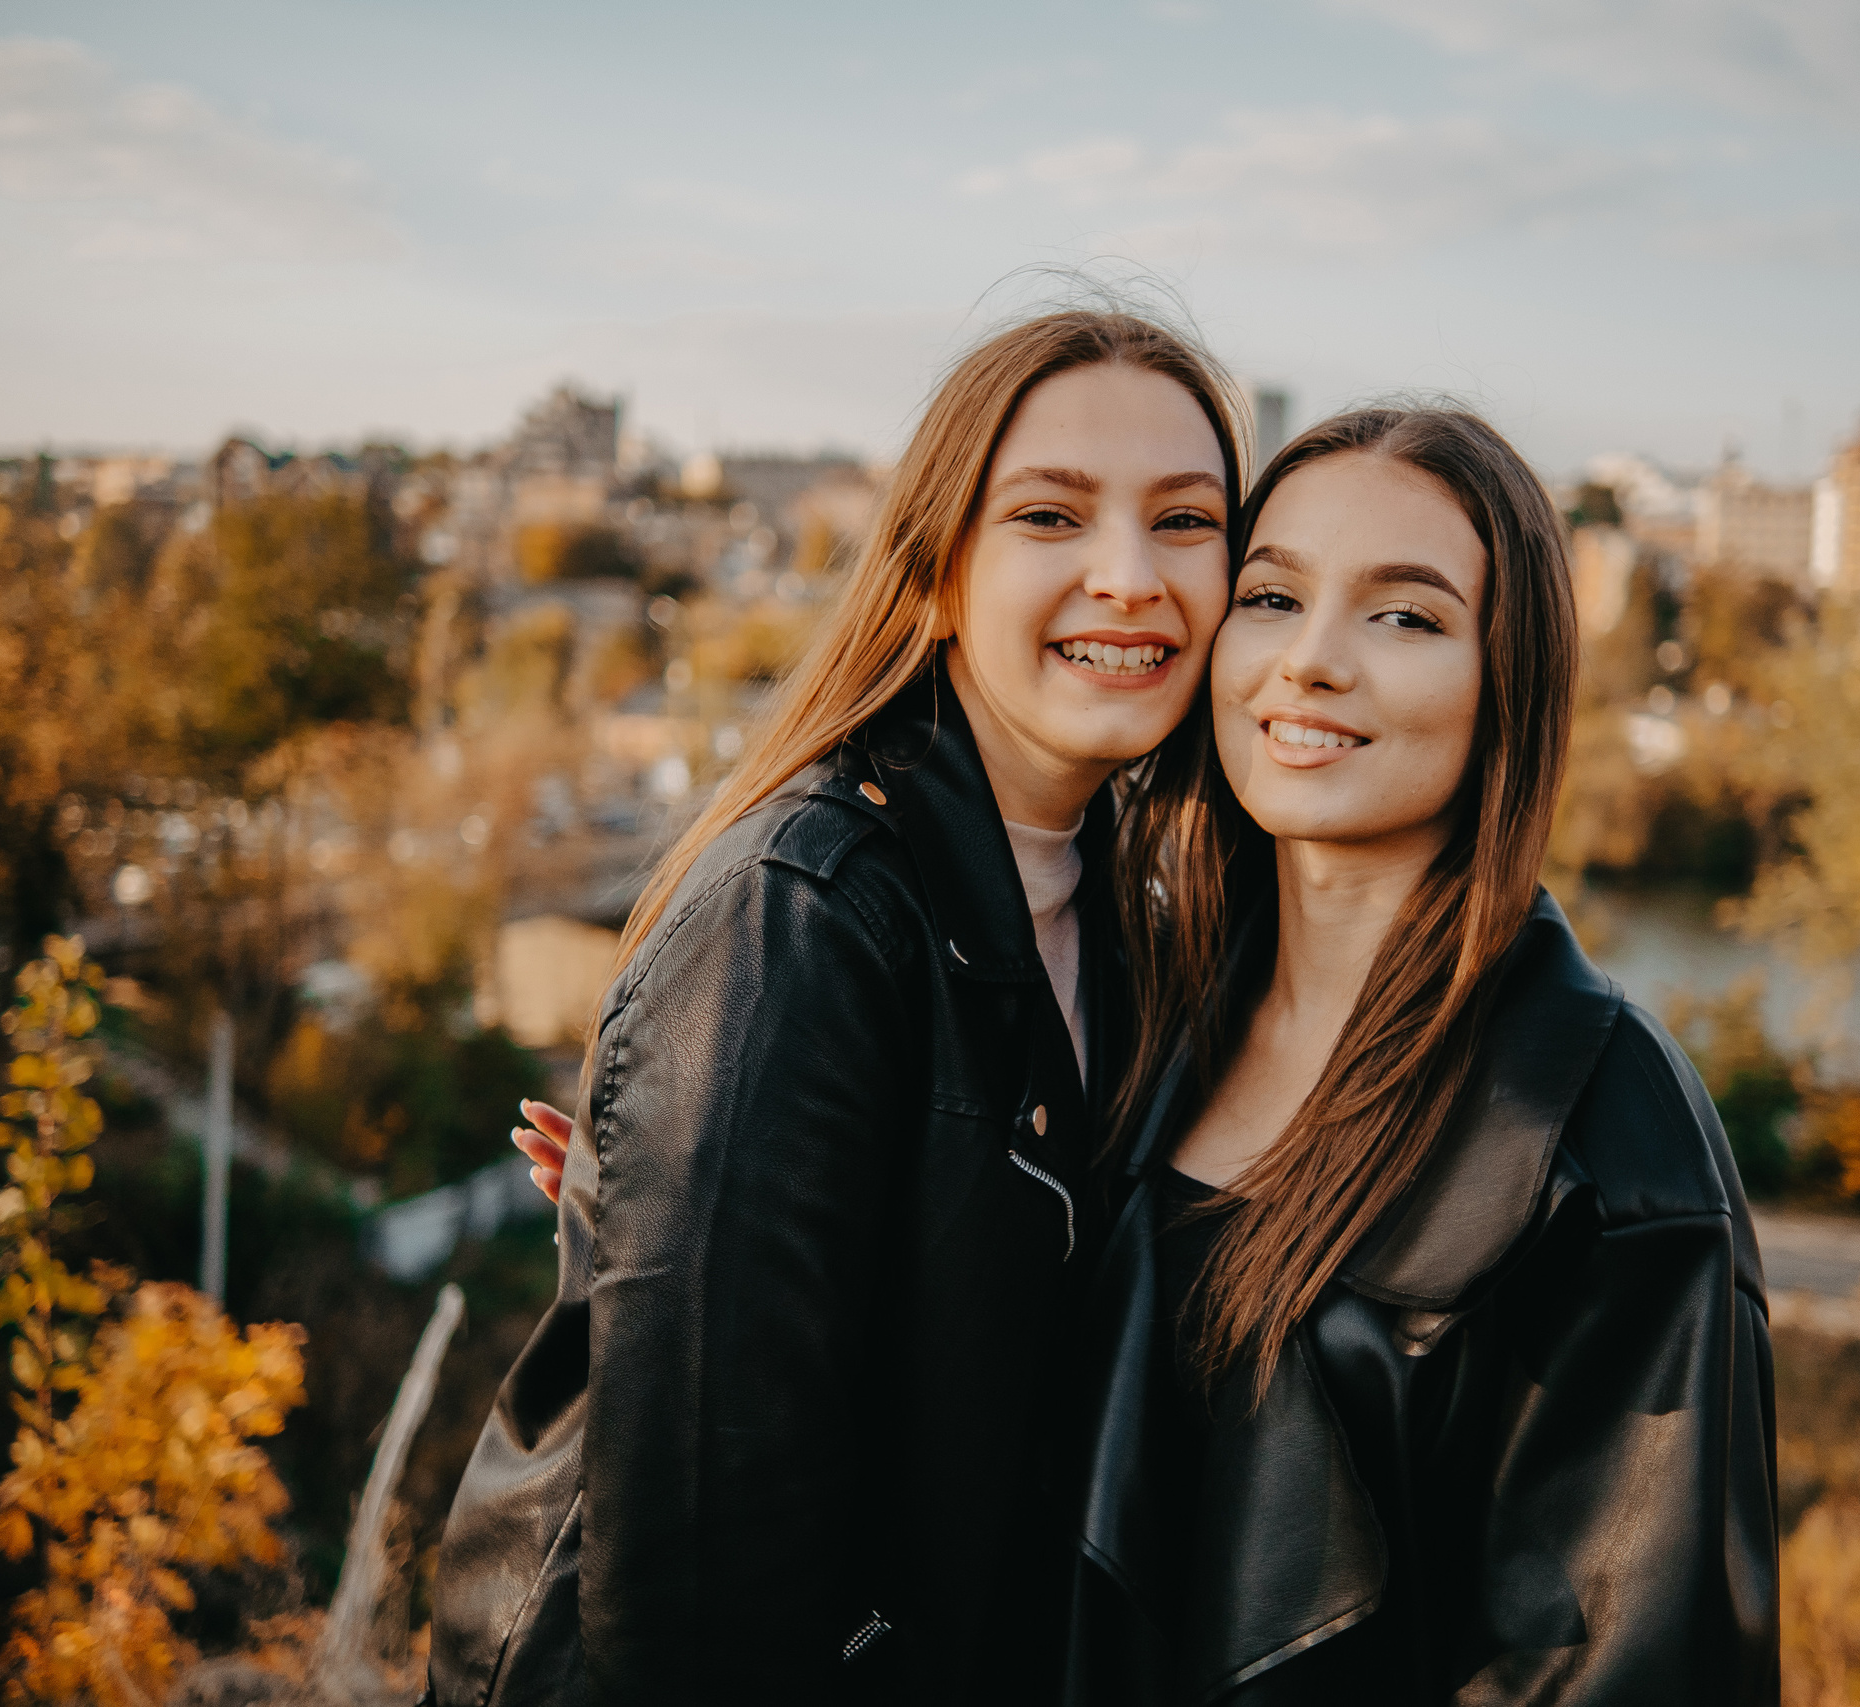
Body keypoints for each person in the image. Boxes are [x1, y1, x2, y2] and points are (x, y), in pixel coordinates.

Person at [423, 308, 1246, 1707]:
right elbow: (691, 1567)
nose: (1131, 578)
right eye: (1051, 515)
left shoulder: (1122, 919)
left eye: (1186, 522)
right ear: (935, 573)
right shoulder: (800, 913)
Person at [1063, 408, 1779, 1704]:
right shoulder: (1137, 1014)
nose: (1313, 664)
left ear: (1505, 684)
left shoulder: (1598, 1144)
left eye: (1406, 617)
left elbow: (1625, 1667)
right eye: (1273, 596)